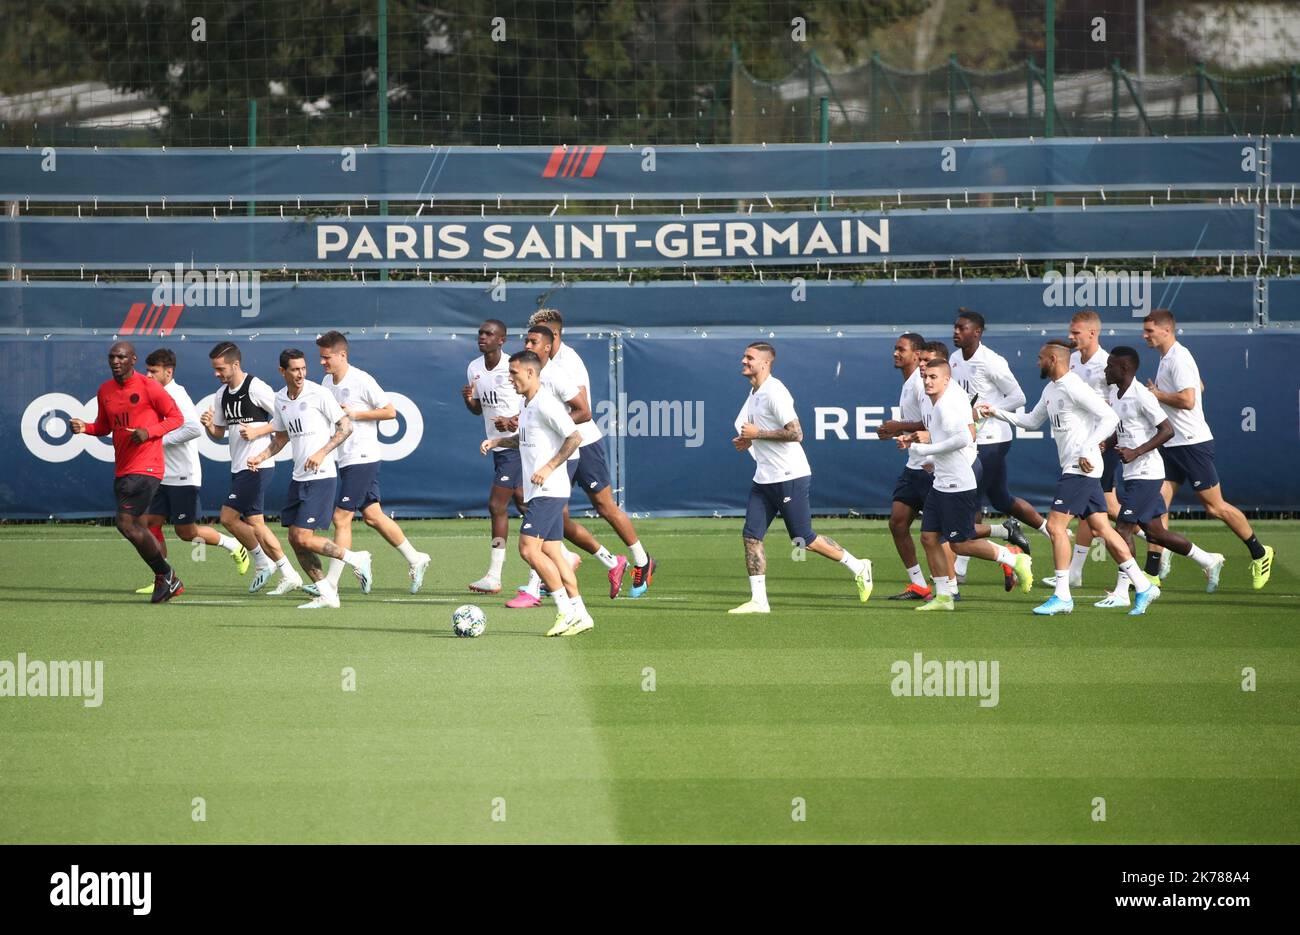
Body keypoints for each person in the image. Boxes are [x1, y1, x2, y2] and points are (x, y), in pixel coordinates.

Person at [978, 341, 1160, 616]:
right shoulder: (1051, 389)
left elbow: (1109, 417)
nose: (1037, 363)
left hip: (1081, 468)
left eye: (1040, 358)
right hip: (1076, 467)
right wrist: (995, 411)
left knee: (1055, 526)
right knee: (1104, 529)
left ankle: (1062, 594)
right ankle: (1144, 587)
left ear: (1053, 359)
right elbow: (1029, 421)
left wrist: (1088, 447)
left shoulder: (1074, 386)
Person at [728, 342, 873, 614]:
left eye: (750, 357)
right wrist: (747, 440)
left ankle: (859, 566)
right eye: (744, 356)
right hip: (764, 478)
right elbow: (754, 431)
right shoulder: (754, 393)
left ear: (765, 363)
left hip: (790, 475)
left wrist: (757, 434)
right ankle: (759, 601)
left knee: (803, 538)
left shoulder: (775, 391)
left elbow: (796, 433)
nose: (743, 360)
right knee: (751, 536)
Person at [1141, 309, 1273, 589]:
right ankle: (1153, 571)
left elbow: (1189, 399)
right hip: (1172, 443)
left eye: (1150, 331)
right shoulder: (1167, 358)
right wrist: (1163, 395)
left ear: (1166, 330)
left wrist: (1157, 395)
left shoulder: (1179, 357)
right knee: (1157, 505)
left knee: (1214, 507)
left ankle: (1260, 553)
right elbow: (1199, 386)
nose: (1145, 335)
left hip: (1192, 443)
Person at [530, 308, 657, 598]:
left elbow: (583, 411)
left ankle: (642, 560)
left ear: (554, 336)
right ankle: (608, 562)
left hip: (583, 444)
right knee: (556, 519)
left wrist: (548, 426)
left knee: (605, 507)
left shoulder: (568, 361)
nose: (531, 343)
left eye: (537, 337)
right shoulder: (538, 362)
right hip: (560, 447)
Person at [897, 358, 1034, 611]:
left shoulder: (947, 405)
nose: (927, 381)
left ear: (946, 380)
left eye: (933, 377)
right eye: (925, 377)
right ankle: (944, 597)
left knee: (960, 542)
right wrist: (930, 457)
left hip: (957, 483)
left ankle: (1014, 560)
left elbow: (964, 438)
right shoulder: (941, 401)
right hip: (941, 482)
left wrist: (925, 448)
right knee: (929, 538)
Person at [1093, 347, 1225, 608]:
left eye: (1110, 366)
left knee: (1121, 530)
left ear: (1125, 369)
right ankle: (1207, 559)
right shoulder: (1115, 393)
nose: (1105, 370)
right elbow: (1125, 428)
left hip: (1147, 473)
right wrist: (1109, 442)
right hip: (1132, 473)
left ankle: (1123, 591)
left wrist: (1137, 451)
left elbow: (1167, 430)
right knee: (1156, 533)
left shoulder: (1142, 395)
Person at [246, 349, 372, 610]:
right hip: (298, 477)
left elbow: (346, 426)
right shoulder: (280, 399)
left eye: (303, 368)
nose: (301, 373)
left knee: (303, 537)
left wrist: (322, 452)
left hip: (322, 476)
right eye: (295, 369)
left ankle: (356, 558)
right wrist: (261, 455)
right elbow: (280, 438)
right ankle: (328, 594)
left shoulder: (319, 393)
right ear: (283, 372)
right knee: (294, 538)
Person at [479, 350, 594, 637]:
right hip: (539, 490)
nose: (510, 378)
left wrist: (550, 467)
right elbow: (526, 439)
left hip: (549, 489)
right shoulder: (527, 403)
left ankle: (565, 612)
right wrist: (498, 441)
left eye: (514, 373)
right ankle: (581, 613)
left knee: (529, 549)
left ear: (531, 373)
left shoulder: (547, 403)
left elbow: (575, 436)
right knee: (553, 551)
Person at [69, 341, 186, 603]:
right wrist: (84, 427)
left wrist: (149, 432)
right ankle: (165, 577)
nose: (116, 361)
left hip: (147, 466)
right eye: (112, 357)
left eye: (121, 357)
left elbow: (176, 418)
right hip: (123, 467)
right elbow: (104, 426)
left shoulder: (149, 387)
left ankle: (166, 574)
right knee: (137, 525)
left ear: (133, 360)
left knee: (126, 523)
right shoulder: (105, 390)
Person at [315, 331, 430, 596]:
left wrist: (355, 413)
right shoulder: (325, 382)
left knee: (340, 517)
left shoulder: (361, 379)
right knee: (373, 516)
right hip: (345, 457)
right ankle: (415, 558)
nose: (322, 362)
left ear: (342, 355)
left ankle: (330, 584)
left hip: (363, 456)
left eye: (326, 357)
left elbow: (390, 411)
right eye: (321, 357)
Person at [950, 308, 1052, 584]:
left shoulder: (991, 361)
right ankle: (1051, 531)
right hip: (972, 439)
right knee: (1001, 499)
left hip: (994, 439)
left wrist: (987, 411)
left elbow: (1018, 397)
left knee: (970, 499)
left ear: (977, 333)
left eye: (962, 328)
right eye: (955, 327)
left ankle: (960, 568)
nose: (955, 332)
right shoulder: (954, 358)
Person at [135, 348, 250, 592]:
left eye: (153, 371)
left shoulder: (176, 394)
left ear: (169, 371)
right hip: (160, 474)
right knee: (148, 522)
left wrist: (157, 440)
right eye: (147, 370)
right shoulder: (151, 393)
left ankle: (233, 546)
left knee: (186, 533)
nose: (148, 375)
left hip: (183, 475)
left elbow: (193, 429)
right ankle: (163, 577)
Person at [201, 341, 301, 594]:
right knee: (256, 523)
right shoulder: (221, 394)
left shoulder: (256, 387)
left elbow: (284, 419)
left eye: (220, 368)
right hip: (238, 467)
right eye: (214, 369)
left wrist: (259, 429)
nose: (216, 374)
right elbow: (219, 433)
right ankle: (288, 572)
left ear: (235, 365)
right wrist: (209, 426)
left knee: (228, 517)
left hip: (259, 464)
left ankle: (262, 562)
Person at [1046, 309, 1121, 590]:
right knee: (1099, 513)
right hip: (1081, 447)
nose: (1070, 336)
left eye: (1076, 332)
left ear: (1093, 333)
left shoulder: (1108, 364)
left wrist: (1101, 443)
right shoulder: (1071, 362)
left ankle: (1158, 543)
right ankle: (1074, 572)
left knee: (1106, 511)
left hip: (1101, 446)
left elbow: (1115, 410)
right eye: (1070, 331)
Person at [462, 319, 526, 594]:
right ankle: (565, 555)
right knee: (526, 504)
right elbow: (479, 410)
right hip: (499, 447)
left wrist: (514, 421)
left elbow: (533, 403)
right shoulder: (474, 368)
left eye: (489, 334)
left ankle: (494, 575)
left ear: (502, 340)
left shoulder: (514, 367)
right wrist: (469, 402)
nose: (482, 337)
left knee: (497, 505)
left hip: (518, 446)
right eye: (480, 333)